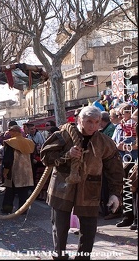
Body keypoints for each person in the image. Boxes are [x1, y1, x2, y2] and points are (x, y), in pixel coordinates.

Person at [40, 105, 124, 260]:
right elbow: (45, 157)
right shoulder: (64, 135)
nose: (93, 126)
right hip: (62, 186)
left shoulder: (104, 142)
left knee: (89, 229)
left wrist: (115, 194)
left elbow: (115, 170)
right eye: (89, 121)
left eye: (96, 122)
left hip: (90, 189)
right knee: (60, 227)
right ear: (79, 120)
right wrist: (67, 154)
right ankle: (59, 256)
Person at [112, 103, 138, 229]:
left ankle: (135, 218)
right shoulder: (119, 127)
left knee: (134, 190)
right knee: (126, 190)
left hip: (134, 160)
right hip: (123, 161)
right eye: (119, 114)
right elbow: (114, 142)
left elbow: (136, 145)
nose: (121, 116)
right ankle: (127, 217)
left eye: (123, 113)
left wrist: (124, 147)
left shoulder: (134, 126)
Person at [1, 124, 35, 214]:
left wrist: (5, 170)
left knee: (10, 192)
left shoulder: (10, 142)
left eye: (11, 130)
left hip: (14, 170)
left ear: (15, 132)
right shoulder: (29, 142)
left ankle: (7, 209)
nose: (9, 132)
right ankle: (23, 210)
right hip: (27, 170)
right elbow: (32, 158)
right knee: (23, 192)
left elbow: (8, 158)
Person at [99, 111, 120, 219]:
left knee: (111, 187)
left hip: (111, 162)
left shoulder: (111, 129)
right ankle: (107, 210)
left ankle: (112, 210)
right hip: (104, 163)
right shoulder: (104, 130)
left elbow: (110, 146)